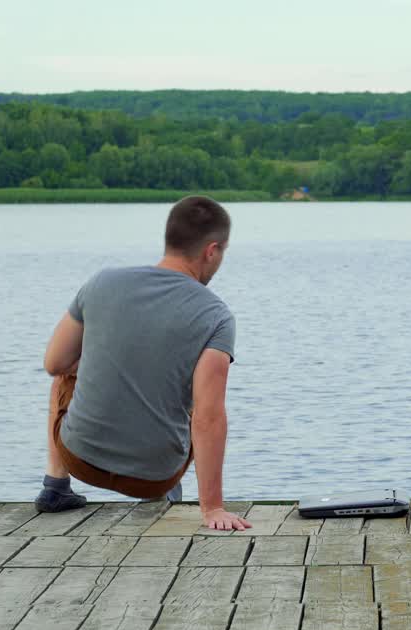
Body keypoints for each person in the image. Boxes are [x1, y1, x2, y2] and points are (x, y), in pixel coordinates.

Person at [34, 195, 251, 531]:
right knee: (197, 394)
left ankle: (55, 488)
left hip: (79, 458)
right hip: (154, 479)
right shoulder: (215, 316)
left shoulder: (102, 282)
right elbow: (209, 417)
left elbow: (54, 362)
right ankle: (166, 499)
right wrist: (213, 509)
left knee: (66, 374)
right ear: (211, 250)